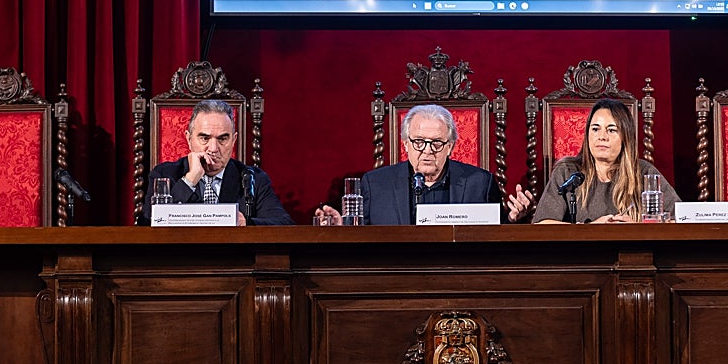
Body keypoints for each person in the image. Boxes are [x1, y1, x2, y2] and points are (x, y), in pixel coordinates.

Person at [315, 103, 534, 225]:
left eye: (437, 143)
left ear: (450, 146)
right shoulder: (376, 184)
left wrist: (513, 218)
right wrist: (341, 227)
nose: (427, 151)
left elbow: (496, 234)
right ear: (405, 144)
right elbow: (360, 234)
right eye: (419, 142)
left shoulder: (479, 183)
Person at [140, 99, 294, 225]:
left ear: (233, 140)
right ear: (188, 139)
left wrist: (246, 223)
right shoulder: (164, 175)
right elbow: (146, 225)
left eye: (222, 139)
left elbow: (284, 224)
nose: (213, 148)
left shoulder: (254, 178)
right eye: (204, 138)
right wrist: (190, 180)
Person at [532, 97, 679, 224]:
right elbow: (542, 224)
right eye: (595, 129)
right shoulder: (568, 172)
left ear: (625, 137)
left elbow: (680, 220)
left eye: (611, 130)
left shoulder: (643, 172)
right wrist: (590, 229)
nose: (602, 137)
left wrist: (636, 227)